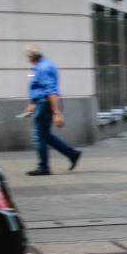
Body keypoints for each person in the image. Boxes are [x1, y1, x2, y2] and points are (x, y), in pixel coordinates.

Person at [21, 44, 80, 176]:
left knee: (39, 135)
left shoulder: (43, 68)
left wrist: (56, 113)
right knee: (44, 134)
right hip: (42, 102)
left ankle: (44, 167)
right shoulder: (43, 65)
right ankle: (71, 154)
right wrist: (33, 103)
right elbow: (41, 89)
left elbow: (51, 92)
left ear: (30, 57)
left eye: (26, 56)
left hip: (45, 103)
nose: (26, 58)